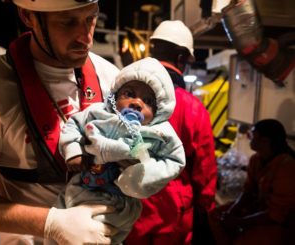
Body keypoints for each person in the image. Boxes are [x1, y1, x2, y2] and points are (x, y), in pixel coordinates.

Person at [0, 0, 122, 244]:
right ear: (28, 16)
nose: (85, 37)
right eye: (68, 22)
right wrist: (51, 223)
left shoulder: (112, 78)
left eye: (91, 18)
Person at [45, 57, 185, 245]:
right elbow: (73, 125)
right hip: (81, 185)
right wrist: (74, 151)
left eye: (148, 101)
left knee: (95, 236)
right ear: (115, 95)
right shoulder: (98, 112)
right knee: (56, 231)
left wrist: (140, 175)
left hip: (118, 202)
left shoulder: (159, 132)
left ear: (159, 111)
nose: (137, 103)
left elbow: (175, 161)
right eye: (129, 93)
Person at [125, 20, 217, 245]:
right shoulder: (194, 108)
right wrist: (206, 212)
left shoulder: (126, 101)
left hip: (130, 210)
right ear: (181, 58)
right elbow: (204, 174)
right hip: (173, 219)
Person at [208, 119, 295, 245]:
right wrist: (231, 212)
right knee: (215, 216)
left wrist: (239, 221)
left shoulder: (286, 166)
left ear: (265, 141)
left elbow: (277, 214)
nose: (249, 138)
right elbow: (247, 191)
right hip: (258, 209)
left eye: (253, 135)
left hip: (279, 223)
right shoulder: (256, 159)